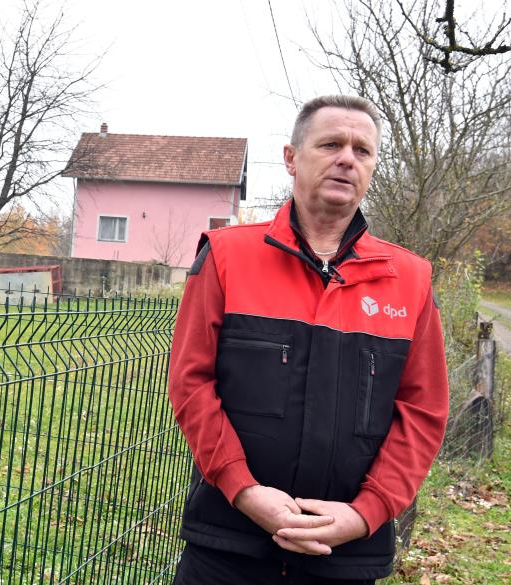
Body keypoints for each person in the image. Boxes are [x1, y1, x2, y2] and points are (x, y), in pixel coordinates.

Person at [168, 95, 449, 584]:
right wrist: (243, 489)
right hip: (226, 544)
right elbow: (191, 384)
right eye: (331, 144)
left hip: (345, 555)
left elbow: (423, 413)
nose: (347, 158)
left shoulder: (410, 280)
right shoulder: (226, 257)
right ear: (292, 158)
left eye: (363, 150)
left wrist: (366, 513)